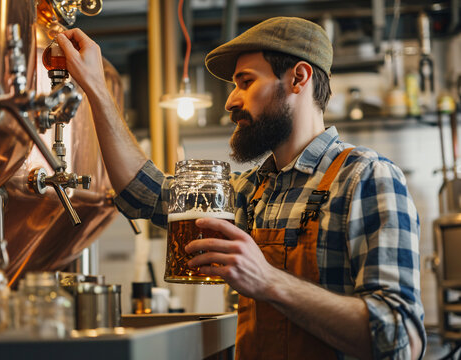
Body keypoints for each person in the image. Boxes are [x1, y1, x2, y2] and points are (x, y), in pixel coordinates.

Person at [56, 16, 425, 359]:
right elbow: (144, 192)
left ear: (298, 78)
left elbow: (401, 337)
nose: (231, 100)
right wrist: (97, 89)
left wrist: (267, 280)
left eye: (246, 82)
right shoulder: (253, 190)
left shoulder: (366, 176)